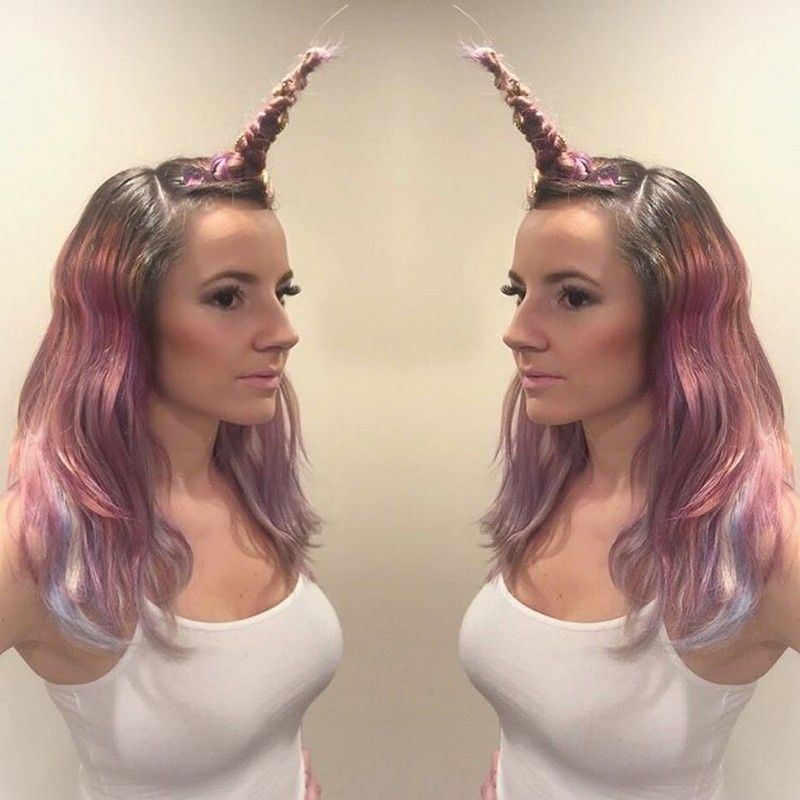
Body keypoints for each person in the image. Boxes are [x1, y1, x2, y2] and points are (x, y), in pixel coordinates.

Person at [457, 46, 800, 800]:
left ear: (675, 318)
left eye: (573, 297)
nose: (518, 331)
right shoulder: (552, 486)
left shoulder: (760, 541)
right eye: (519, 291)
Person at [0, 46, 342, 800]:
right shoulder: (42, 540)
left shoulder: (248, 486)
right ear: (126, 318)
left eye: (281, 291)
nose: (282, 331)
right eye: (227, 297)